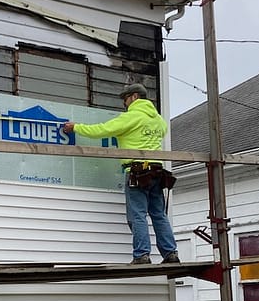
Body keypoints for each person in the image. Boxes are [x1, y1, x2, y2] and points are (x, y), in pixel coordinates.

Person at [62, 84, 180, 265]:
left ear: (134, 97)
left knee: (138, 215)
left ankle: (142, 255)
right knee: (159, 215)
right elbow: (163, 130)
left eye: (125, 99)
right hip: (157, 171)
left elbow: (101, 130)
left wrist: (76, 127)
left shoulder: (131, 117)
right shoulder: (158, 120)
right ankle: (170, 254)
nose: (124, 103)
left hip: (137, 171)